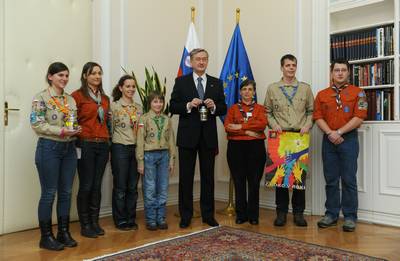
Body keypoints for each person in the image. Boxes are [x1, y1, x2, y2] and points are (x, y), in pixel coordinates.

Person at [170, 48, 227, 228]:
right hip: (187, 137)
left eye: (204, 59)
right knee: (185, 178)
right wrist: (188, 105)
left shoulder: (216, 83)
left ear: (207, 61)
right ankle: (185, 215)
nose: (201, 62)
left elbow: (223, 108)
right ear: (191, 62)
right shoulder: (181, 82)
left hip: (208, 137)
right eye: (198, 59)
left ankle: (208, 215)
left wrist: (213, 107)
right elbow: (172, 106)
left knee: (208, 178)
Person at [30, 62, 81, 250]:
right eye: (60, 75)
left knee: (66, 193)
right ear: (50, 76)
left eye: (67, 75)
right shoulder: (41, 98)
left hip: (69, 149)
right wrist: (61, 131)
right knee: (49, 193)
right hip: (49, 148)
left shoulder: (70, 99)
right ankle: (46, 237)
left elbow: (71, 122)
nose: (64, 79)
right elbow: (37, 124)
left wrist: (74, 130)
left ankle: (63, 232)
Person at [314, 59, 367, 232]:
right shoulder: (322, 94)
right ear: (331, 73)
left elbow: (359, 117)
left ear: (348, 73)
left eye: (343, 70)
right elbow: (317, 117)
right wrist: (330, 133)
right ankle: (331, 214)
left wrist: (340, 132)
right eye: (337, 70)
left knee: (349, 180)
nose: (340, 73)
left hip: (348, 139)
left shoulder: (359, 93)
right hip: (328, 140)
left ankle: (350, 217)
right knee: (331, 180)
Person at [264, 54, 314, 227]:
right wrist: (274, 124)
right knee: (281, 179)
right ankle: (281, 213)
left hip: (299, 137)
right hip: (280, 137)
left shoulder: (305, 89)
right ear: (282, 67)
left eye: (293, 65)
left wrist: (307, 125)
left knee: (298, 178)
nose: (291, 68)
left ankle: (298, 214)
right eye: (287, 65)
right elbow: (267, 112)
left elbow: (311, 112)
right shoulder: (273, 88)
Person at [72, 62, 110, 238]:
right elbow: (71, 121)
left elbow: (107, 122)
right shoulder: (77, 96)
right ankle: (85, 224)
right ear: (85, 76)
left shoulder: (105, 99)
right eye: (93, 73)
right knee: (86, 185)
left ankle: (94, 222)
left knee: (96, 185)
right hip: (85, 143)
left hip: (102, 144)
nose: (97, 76)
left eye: (99, 73)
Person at [224, 79, 267, 225]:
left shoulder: (260, 109)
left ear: (254, 92)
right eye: (244, 89)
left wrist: (240, 128)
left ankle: (253, 215)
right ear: (240, 92)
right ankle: (241, 214)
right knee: (239, 181)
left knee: (254, 182)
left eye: (250, 89)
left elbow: (261, 124)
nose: (247, 92)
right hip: (236, 148)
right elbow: (228, 127)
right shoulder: (233, 108)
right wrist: (249, 131)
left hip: (256, 148)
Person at [136, 91, 176, 231]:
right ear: (150, 103)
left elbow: (171, 140)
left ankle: (161, 218)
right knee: (150, 188)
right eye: (155, 101)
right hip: (149, 156)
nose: (158, 104)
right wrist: (140, 161)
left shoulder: (167, 119)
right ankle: (151, 219)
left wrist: (172, 159)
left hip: (164, 155)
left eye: (160, 101)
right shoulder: (144, 119)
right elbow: (140, 140)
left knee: (163, 187)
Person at [110, 75, 142, 231]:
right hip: (120, 148)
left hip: (135, 149)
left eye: (133, 86)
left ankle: (131, 217)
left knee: (132, 187)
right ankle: (120, 219)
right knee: (120, 186)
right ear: (121, 88)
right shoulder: (114, 106)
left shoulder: (138, 107)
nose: (131, 89)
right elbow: (110, 129)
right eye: (128, 86)